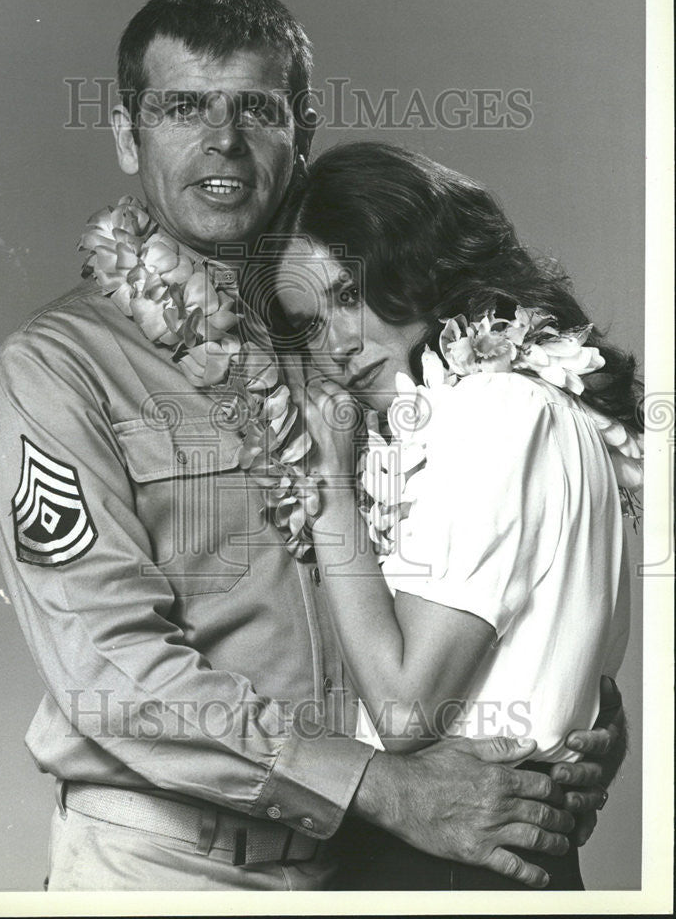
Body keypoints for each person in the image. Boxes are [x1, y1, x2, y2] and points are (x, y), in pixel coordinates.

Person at [0, 0, 621, 892]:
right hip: (169, 869)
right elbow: (115, 671)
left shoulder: (372, 335)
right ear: (126, 133)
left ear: (303, 130)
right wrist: (384, 788)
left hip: (365, 871)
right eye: (181, 107)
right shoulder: (57, 369)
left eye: (258, 109)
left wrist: (570, 738)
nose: (223, 140)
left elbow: (504, 555)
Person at [267, 141, 641, 889]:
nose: (335, 345)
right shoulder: (541, 402)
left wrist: (330, 485)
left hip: (444, 858)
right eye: (309, 321)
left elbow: (405, 714)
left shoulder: (487, 412)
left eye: (348, 293)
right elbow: (592, 688)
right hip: (510, 849)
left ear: (416, 260)